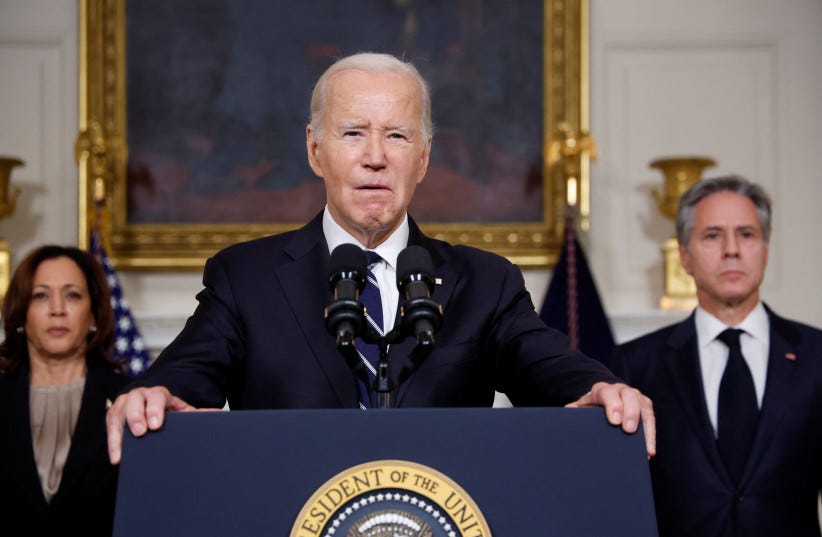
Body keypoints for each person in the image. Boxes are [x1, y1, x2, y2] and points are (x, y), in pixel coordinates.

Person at [106, 52, 655, 464]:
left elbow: (552, 368)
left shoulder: (485, 282)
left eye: (396, 135)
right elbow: (185, 374)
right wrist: (155, 396)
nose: (375, 157)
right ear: (315, 150)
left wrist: (600, 387)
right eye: (353, 133)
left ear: (423, 158)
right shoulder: (246, 277)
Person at [613, 175, 822, 537]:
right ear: (684, 256)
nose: (731, 249)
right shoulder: (636, 364)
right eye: (712, 235)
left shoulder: (816, 355)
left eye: (746, 234)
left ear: (765, 250)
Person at [0, 245, 129, 536]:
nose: (57, 309)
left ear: (94, 315)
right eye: (40, 295)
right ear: (21, 313)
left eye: (72, 294)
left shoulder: (129, 401)